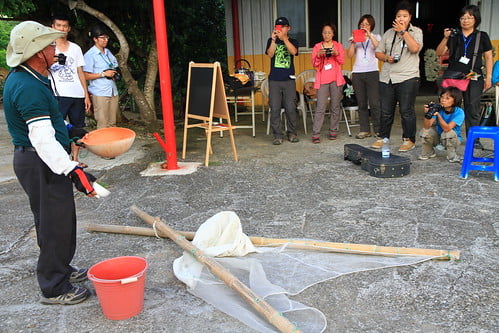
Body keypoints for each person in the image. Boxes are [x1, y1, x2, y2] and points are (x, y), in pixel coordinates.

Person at [3, 21, 97, 305]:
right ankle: (54, 286)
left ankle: (62, 269)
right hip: (39, 160)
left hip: (40, 158)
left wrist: (70, 131)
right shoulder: (27, 85)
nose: (55, 49)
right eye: (49, 45)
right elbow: (41, 138)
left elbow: (47, 123)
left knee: (58, 221)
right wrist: (72, 168)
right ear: (35, 52)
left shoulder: (34, 77)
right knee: (54, 224)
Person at [436, 4, 493, 149]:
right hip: (454, 77)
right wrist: (445, 38)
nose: (465, 20)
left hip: (474, 77)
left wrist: (488, 78)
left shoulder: (482, 36)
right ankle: (446, 137)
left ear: (476, 19)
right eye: (463, 18)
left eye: (469, 17)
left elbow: (488, 56)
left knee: (472, 109)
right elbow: (439, 53)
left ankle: (474, 139)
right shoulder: (454, 35)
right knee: (450, 106)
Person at [372, 1, 423, 152]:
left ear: (410, 17)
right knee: (386, 110)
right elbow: (378, 52)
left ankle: (408, 139)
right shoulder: (388, 33)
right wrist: (386, 58)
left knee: (406, 110)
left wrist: (403, 32)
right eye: (399, 16)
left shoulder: (416, 32)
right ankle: (383, 137)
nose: (401, 19)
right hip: (387, 77)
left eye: (405, 16)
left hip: (408, 76)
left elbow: (414, 48)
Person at [49, 14, 91, 129]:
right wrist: (52, 61)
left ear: (69, 28)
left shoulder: (75, 48)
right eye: (59, 25)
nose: (62, 29)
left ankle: (74, 147)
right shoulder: (47, 48)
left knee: (78, 128)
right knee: (56, 127)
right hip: (57, 94)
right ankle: (60, 147)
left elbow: (80, 72)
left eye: (65, 26)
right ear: (53, 27)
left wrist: (86, 95)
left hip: (77, 94)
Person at [265, 17, 300, 145]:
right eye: (277, 27)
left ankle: (292, 133)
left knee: (291, 107)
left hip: (289, 80)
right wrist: (274, 40)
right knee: (274, 108)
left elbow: (294, 51)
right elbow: (270, 54)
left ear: (288, 28)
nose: (279, 29)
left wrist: (284, 39)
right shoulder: (271, 40)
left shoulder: (293, 41)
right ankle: (277, 135)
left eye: (282, 27)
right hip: (274, 80)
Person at [347, 15, 381, 140]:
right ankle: (364, 130)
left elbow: (379, 48)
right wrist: (353, 43)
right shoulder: (355, 38)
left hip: (372, 71)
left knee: (374, 102)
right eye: (362, 24)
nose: (364, 26)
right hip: (357, 72)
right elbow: (350, 55)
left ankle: (378, 129)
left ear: (371, 25)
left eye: (366, 24)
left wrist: (369, 35)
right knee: (361, 103)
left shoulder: (376, 37)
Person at [310, 23, 345, 143]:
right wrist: (319, 55)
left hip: (336, 79)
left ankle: (333, 131)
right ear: (322, 34)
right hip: (322, 80)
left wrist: (336, 53)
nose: (327, 35)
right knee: (320, 107)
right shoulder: (317, 46)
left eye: (329, 32)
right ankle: (316, 133)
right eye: (325, 32)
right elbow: (314, 64)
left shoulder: (338, 46)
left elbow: (342, 61)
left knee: (335, 106)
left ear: (333, 34)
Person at [83, 26, 119, 129]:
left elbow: (114, 66)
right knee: (102, 123)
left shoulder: (108, 52)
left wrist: (113, 73)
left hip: (112, 90)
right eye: (102, 38)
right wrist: (103, 74)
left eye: (107, 38)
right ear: (95, 39)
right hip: (99, 92)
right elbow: (85, 75)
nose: (105, 40)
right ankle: (102, 144)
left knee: (112, 123)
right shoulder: (90, 55)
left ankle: (112, 144)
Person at [419, 87, 465, 163]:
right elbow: (427, 126)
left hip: (453, 139)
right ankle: (428, 152)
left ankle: (452, 156)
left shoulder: (459, 112)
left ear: (455, 100)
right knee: (425, 131)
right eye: (442, 97)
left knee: (448, 133)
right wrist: (428, 114)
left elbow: (447, 129)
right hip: (439, 137)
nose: (443, 100)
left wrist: (439, 116)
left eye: (447, 98)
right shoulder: (438, 108)